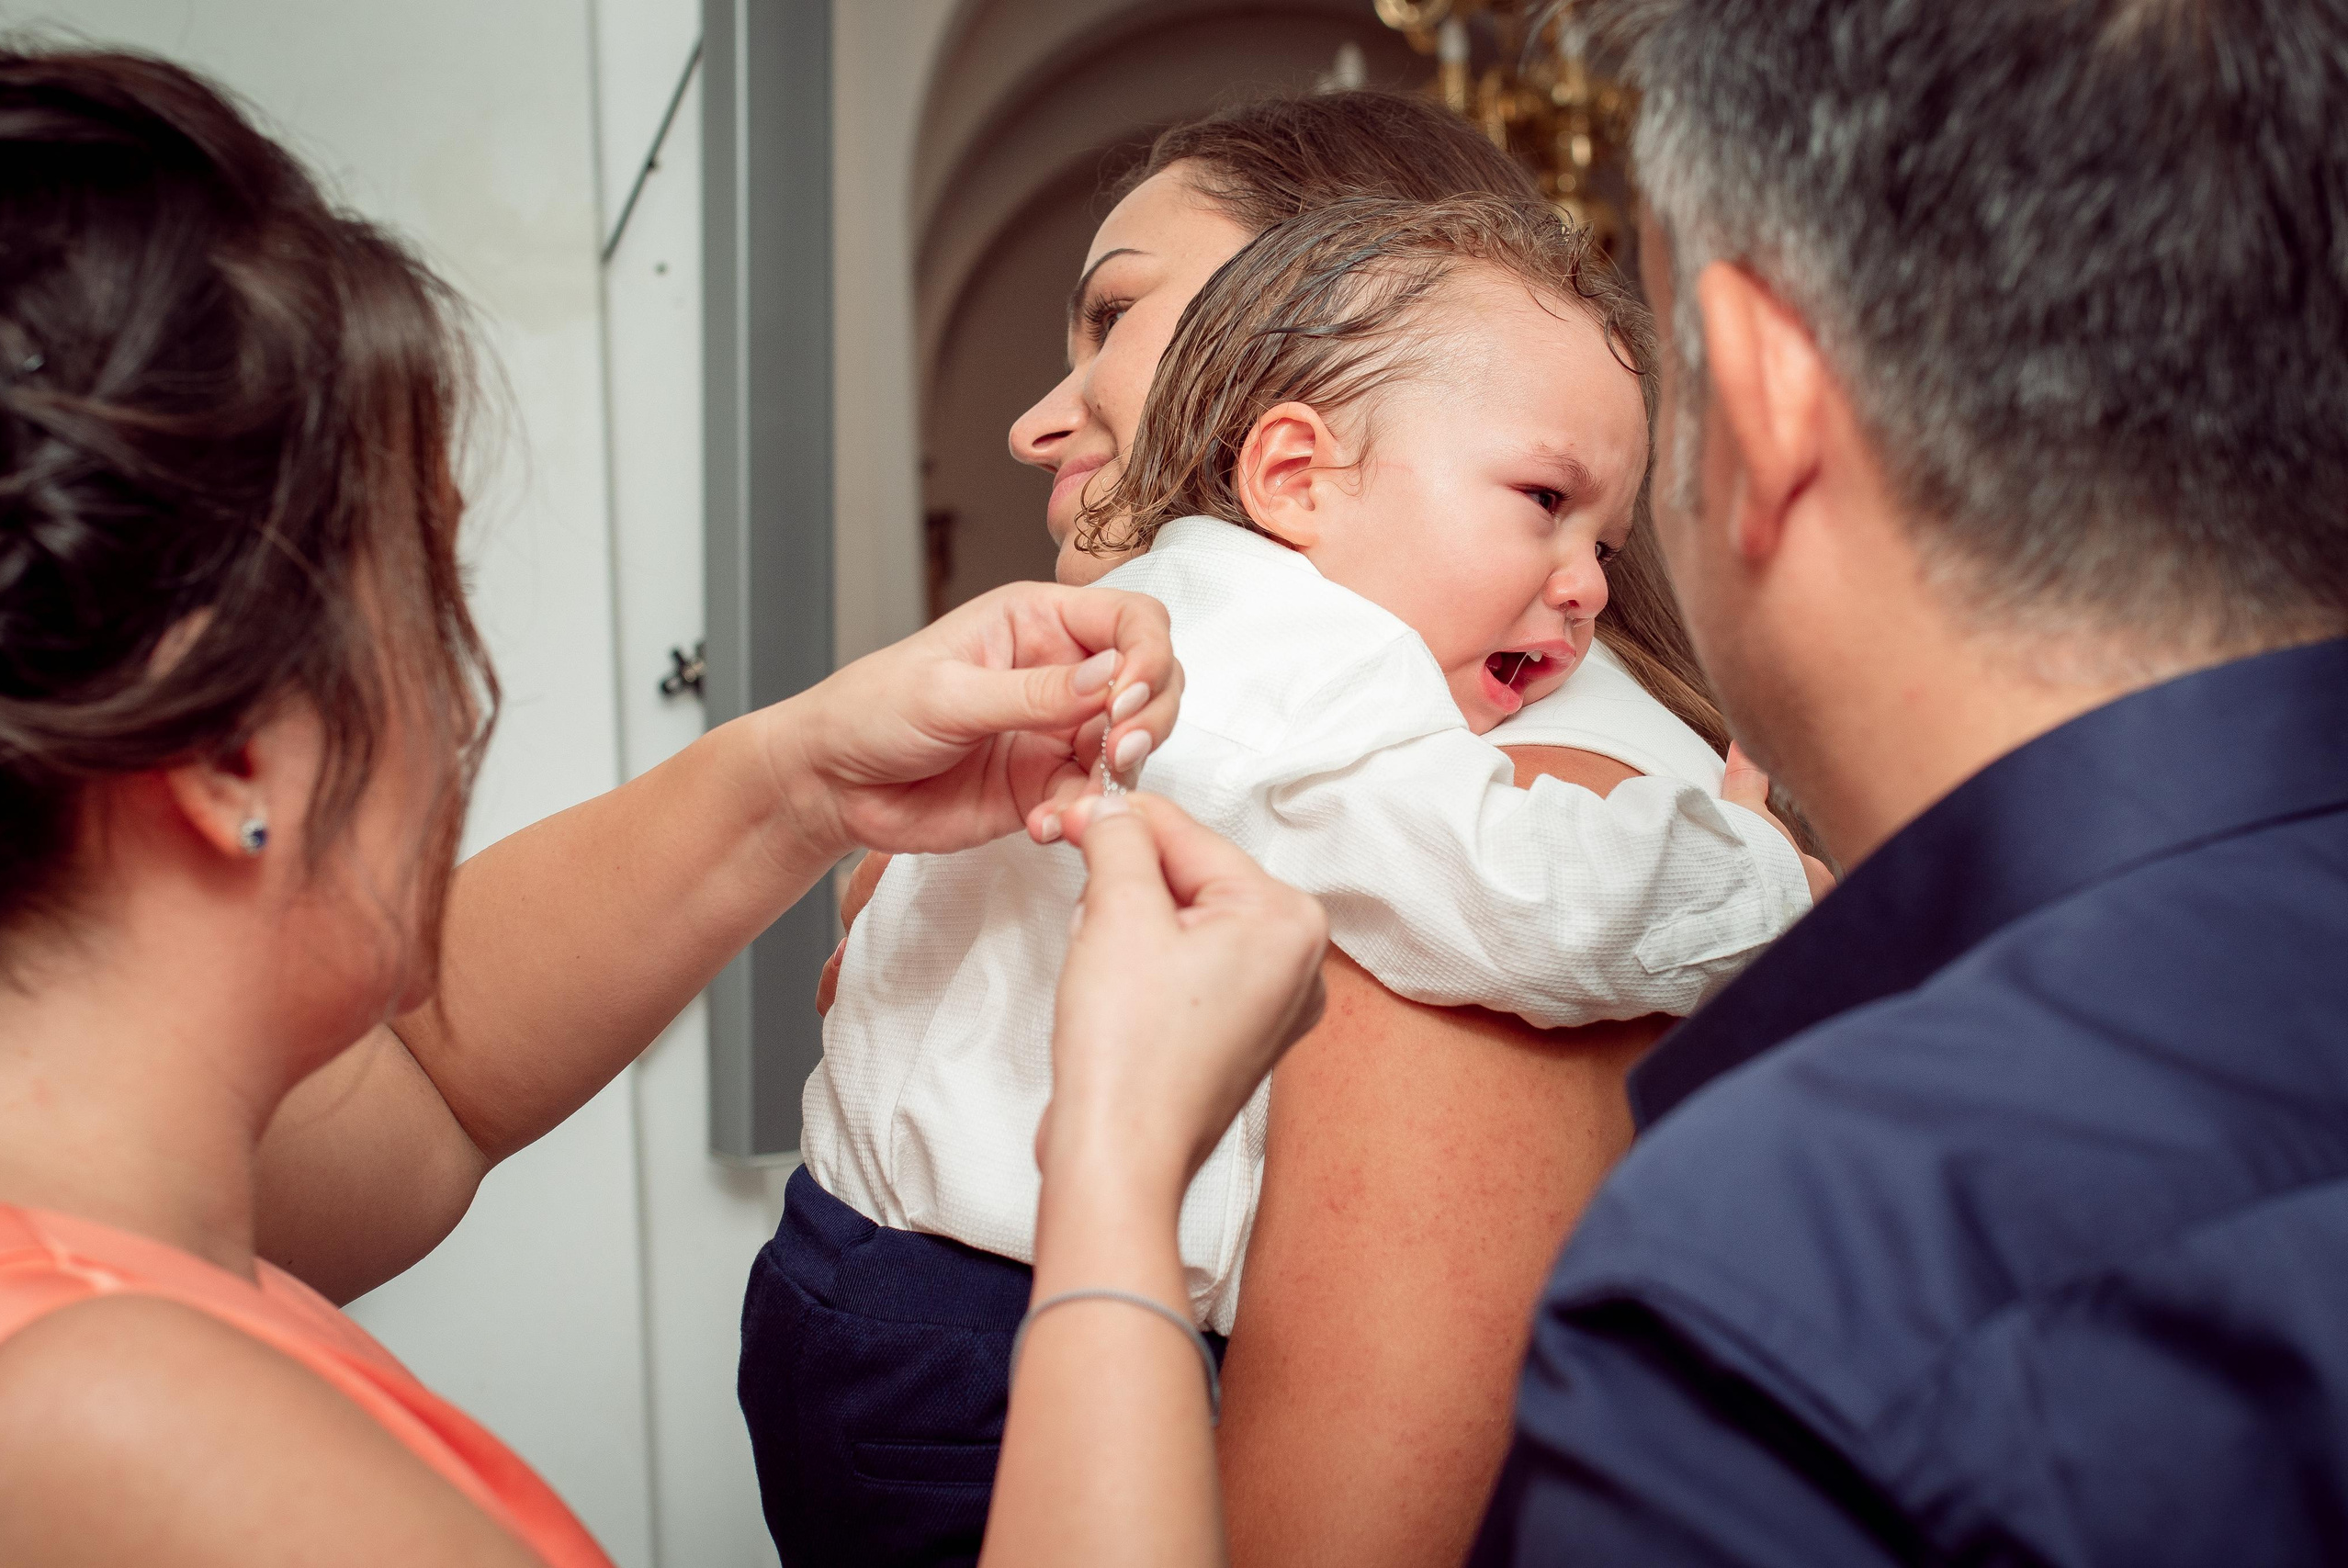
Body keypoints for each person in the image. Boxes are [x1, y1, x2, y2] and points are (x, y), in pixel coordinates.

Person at [986, 1, 2348, 1564]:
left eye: (1120, 316)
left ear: (1761, 401)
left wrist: (1103, 1181)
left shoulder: (1780, 1279)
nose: (1044, 420)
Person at [0, 48, 1185, 1567]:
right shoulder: (117, 1430)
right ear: (233, 749)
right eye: (428, 595)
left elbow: (433, 1080)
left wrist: (809, 777)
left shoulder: (114, 1191)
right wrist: (1118, 1154)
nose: (461, 694)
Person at [752, 90, 1759, 1568]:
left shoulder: (1539, 781)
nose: (1035, 421)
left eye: (1116, 315)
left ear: (1316, 313)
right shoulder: (1288, 669)